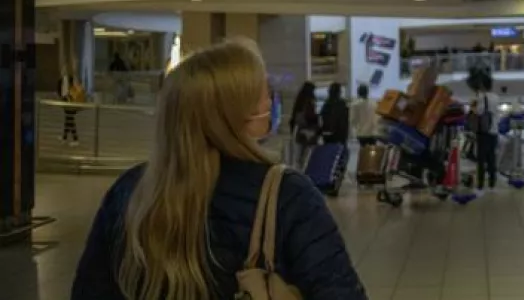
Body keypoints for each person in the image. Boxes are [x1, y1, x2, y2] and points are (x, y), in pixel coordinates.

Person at [70, 40, 367, 300]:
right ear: (238, 113)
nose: (271, 102)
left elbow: (90, 290)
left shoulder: (130, 190)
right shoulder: (287, 194)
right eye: (264, 93)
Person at [469, 68, 500, 190]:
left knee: (481, 159)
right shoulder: (496, 97)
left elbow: (476, 111)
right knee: (492, 157)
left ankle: (481, 183)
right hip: (494, 130)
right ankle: (492, 181)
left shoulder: (480, 98)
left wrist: (473, 103)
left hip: (483, 131)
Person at [289, 81, 319, 168]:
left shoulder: (299, 101)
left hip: (299, 132)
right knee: (308, 157)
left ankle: (299, 172)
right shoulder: (310, 101)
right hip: (309, 132)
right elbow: (311, 117)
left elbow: (294, 119)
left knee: (299, 157)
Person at [58, 74, 84, 147]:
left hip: (72, 102)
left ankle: (75, 139)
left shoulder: (71, 78)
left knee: (70, 121)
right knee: (68, 120)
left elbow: (74, 91)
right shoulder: (68, 78)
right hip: (70, 101)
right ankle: (65, 137)